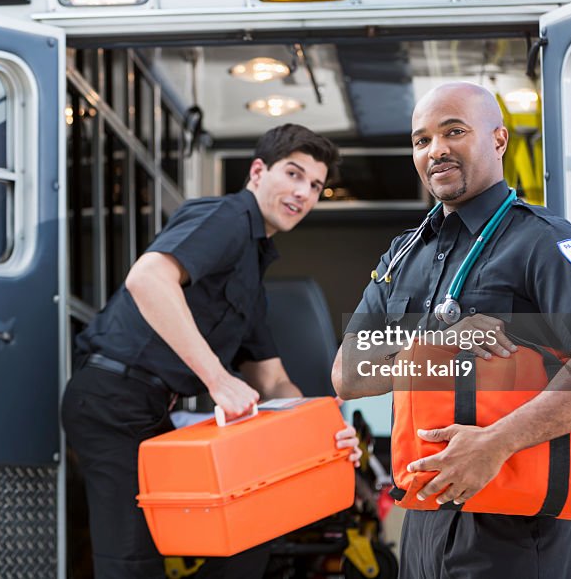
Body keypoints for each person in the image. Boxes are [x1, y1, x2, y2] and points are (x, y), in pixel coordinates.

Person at [331, 82, 571, 579]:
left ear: (498, 140)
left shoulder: (540, 241)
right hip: (425, 518)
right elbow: (349, 375)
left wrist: (495, 442)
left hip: (512, 524)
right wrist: (437, 342)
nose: (436, 150)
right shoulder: (402, 255)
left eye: (454, 131)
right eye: (421, 140)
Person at [62, 123, 360, 579]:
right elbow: (147, 279)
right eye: (294, 174)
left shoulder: (253, 279)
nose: (304, 192)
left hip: (152, 413)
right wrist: (218, 380)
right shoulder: (224, 218)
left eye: (316, 186)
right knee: (133, 561)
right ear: (258, 171)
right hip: (112, 399)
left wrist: (324, 431)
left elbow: (273, 380)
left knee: (252, 530)